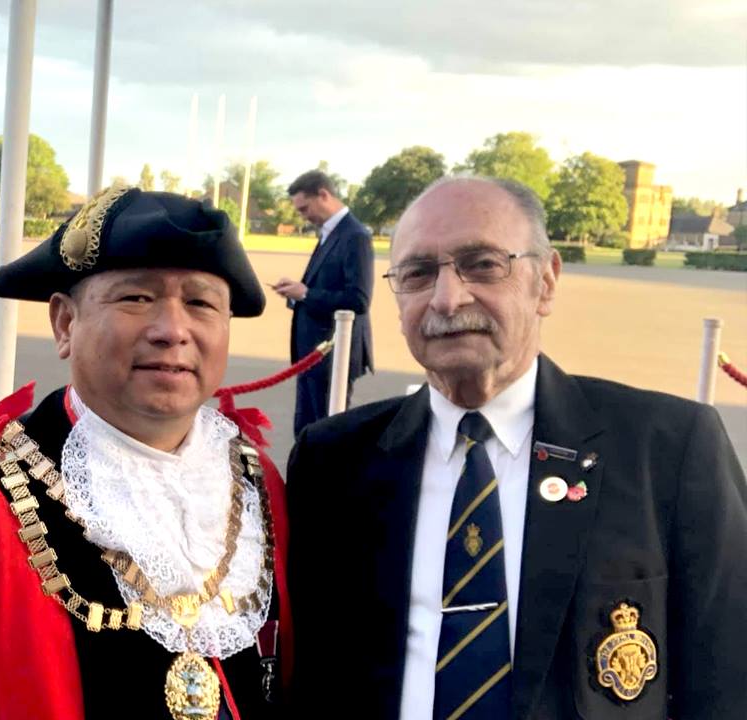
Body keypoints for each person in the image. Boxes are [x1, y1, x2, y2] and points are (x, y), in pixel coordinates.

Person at [286, 176, 747, 719]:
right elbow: (313, 679)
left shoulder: (668, 450)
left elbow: (728, 685)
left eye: (483, 265)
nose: (447, 298)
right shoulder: (333, 461)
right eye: (418, 273)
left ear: (546, 282)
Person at [0, 186, 294, 719]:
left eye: (200, 303)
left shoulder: (258, 483)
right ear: (65, 323)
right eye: (136, 298)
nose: (173, 330)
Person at [270, 170, 374, 434]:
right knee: (306, 429)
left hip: (332, 354)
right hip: (313, 354)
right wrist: (296, 292)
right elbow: (323, 284)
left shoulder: (355, 236)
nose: (303, 216)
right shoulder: (330, 232)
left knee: (325, 433)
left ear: (324, 195)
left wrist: (305, 294)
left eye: (304, 209)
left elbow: (359, 299)